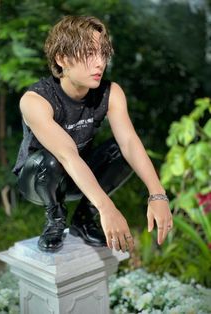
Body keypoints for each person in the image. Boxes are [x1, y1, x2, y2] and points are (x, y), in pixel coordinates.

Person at [12, 15, 173, 254]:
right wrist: (107, 208)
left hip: (82, 177)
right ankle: (55, 217)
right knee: (53, 159)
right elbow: (68, 156)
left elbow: (129, 143)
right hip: (39, 180)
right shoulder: (36, 100)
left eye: (103, 53)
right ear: (62, 58)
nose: (99, 63)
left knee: (121, 149)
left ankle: (84, 219)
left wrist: (158, 194)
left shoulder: (111, 92)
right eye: (89, 54)